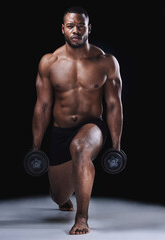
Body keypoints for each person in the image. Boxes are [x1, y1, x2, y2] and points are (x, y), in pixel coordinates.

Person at [32, 6, 123, 235]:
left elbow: (113, 105)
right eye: (71, 26)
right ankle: (63, 199)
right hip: (59, 131)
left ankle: (82, 218)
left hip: (92, 127)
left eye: (81, 26)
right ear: (63, 29)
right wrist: (35, 147)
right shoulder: (49, 62)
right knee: (58, 194)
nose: (76, 30)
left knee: (80, 147)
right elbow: (42, 106)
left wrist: (116, 145)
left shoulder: (106, 62)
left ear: (88, 29)